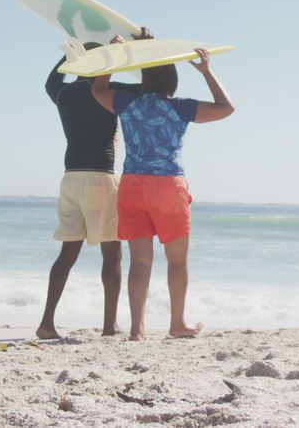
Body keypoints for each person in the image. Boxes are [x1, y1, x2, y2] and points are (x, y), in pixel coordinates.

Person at [91, 46, 234, 341]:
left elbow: (98, 89)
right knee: (177, 260)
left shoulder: (126, 103)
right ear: (172, 80)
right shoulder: (180, 107)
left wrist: (113, 59)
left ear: (143, 77)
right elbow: (226, 108)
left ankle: (136, 330)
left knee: (140, 262)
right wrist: (207, 72)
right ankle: (177, 323)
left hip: (132, 186)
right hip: (168, 186)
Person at [37, 35, 144, 339]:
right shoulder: (108, 92)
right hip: (99, 177)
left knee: (67, 253)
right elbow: (149, 87)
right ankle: (109, 326)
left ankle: (46, 323)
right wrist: (130, 50)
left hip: (70, 178)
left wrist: (71, 57)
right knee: (112, 253)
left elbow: (49, 82)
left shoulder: (65, 94)